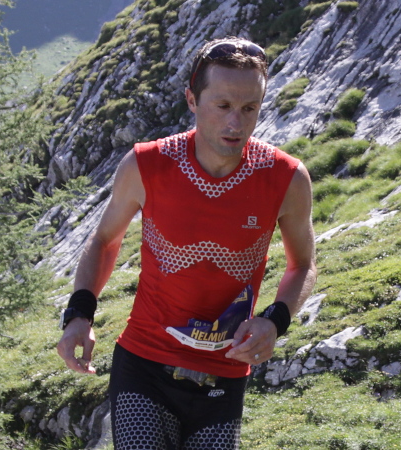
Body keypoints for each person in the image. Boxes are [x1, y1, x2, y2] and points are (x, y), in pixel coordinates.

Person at [57, 36, 317, 449]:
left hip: (223, 377)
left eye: (250, 108)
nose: (236, 123)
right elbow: (104, 241)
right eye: (223, 105)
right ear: (192, 100)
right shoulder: (147, 164)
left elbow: (302, 265)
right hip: (143, 364)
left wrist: (275, 320)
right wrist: (79, 315)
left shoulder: (286, 178)